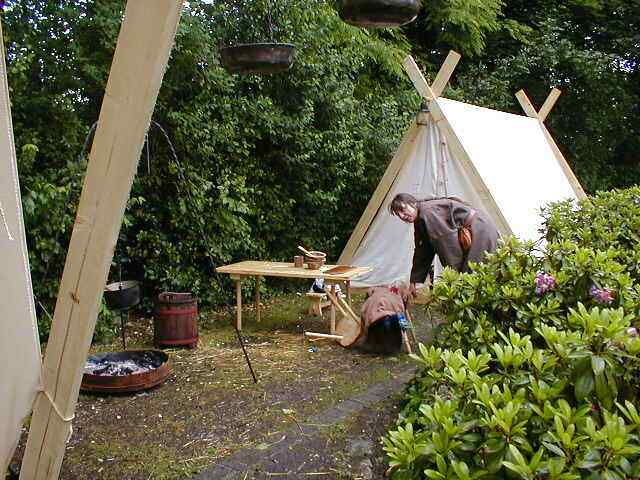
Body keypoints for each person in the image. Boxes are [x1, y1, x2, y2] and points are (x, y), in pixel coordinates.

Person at [389, 193, 499, 292]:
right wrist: (414, 280)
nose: (402, 216)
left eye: (403, 210)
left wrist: (455, 277)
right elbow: (423, 250)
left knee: (471, 280)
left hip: (480, 231)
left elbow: (448, 245)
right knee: (470, 280)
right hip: (479, 229)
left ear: (413, 203)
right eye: (399, 215)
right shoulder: (420, 218)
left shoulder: (428, 212)